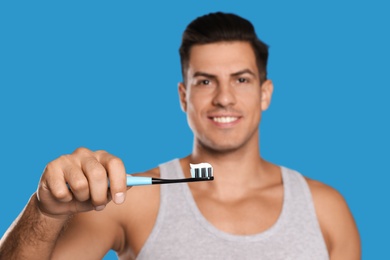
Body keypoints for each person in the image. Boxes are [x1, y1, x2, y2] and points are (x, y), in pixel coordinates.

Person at [0, 12, 360, 259]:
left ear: (265, 93)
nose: (224, 98)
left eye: (241, 79)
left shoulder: (326, 209)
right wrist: (45, 211)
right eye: (205, 81)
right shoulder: (129, 200)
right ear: (183, 96)